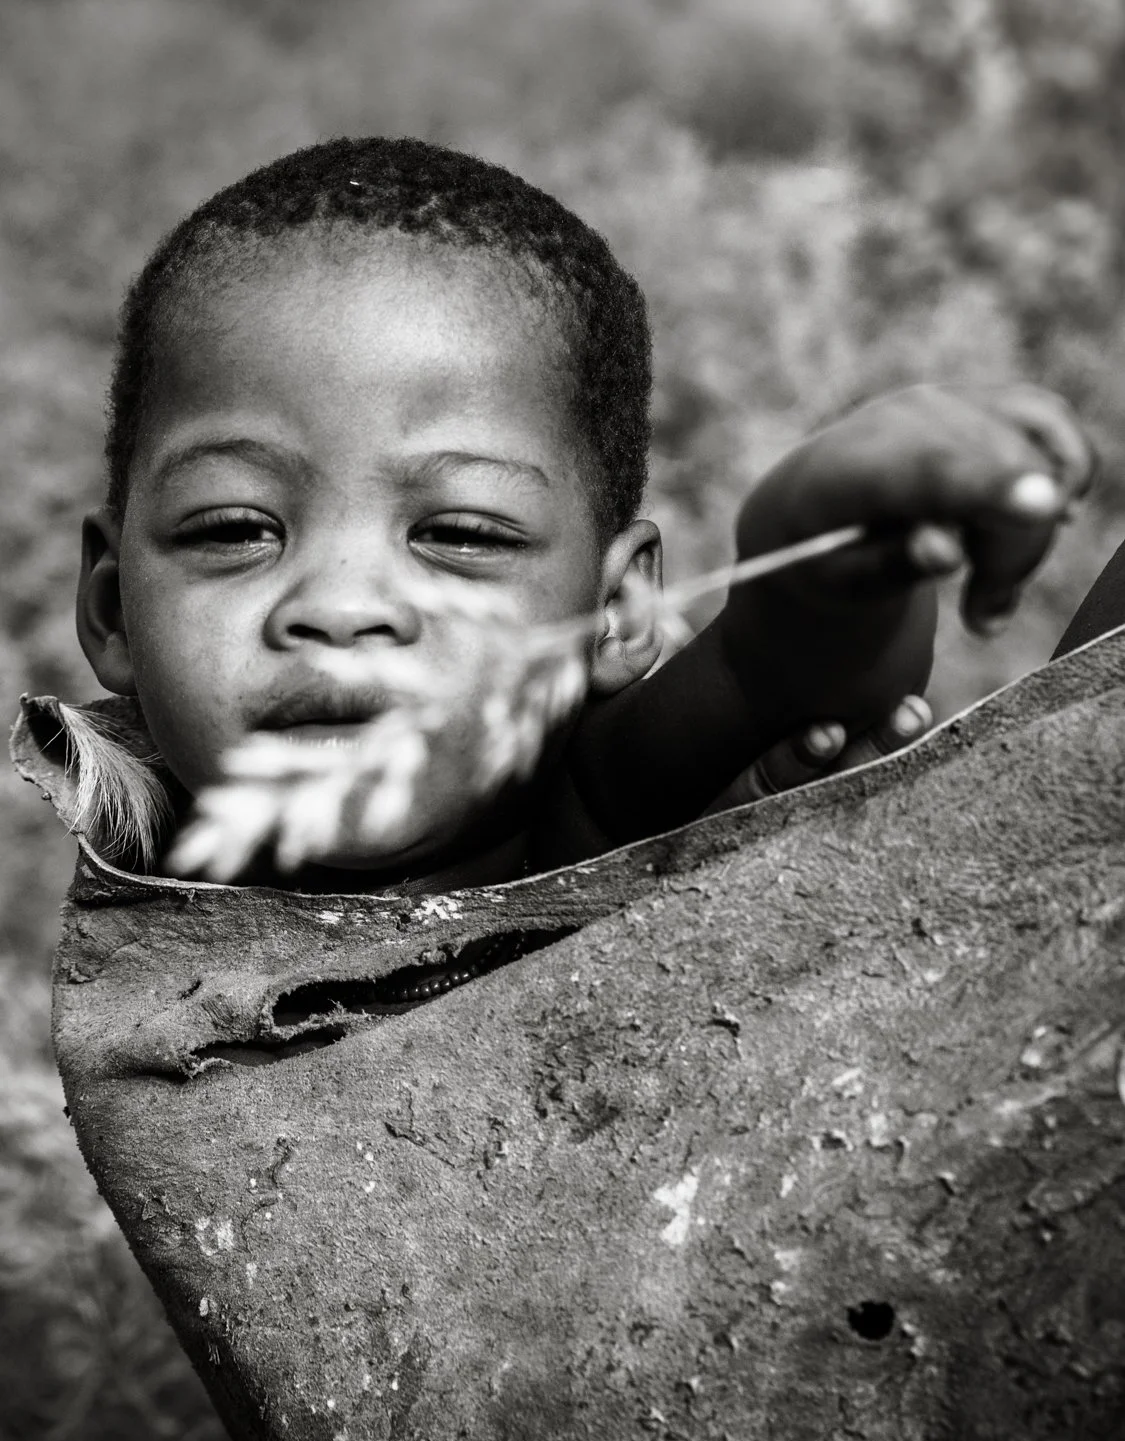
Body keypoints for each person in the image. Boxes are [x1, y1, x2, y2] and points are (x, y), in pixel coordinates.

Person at [62, 136, 1094, 895]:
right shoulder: (143, 896)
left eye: (458, 535)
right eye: (234, 529)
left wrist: (840, 524)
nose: (337, 609)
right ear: (111, 609)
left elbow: (774, 674)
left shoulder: (590, 818)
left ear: (615, 614)